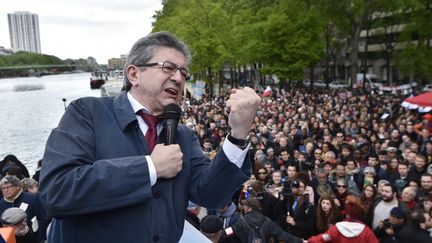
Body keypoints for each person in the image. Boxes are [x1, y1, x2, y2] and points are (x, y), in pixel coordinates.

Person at [38, 32, 261, 243]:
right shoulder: (87, 113)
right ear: (134, 74)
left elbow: (212, 195)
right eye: (168, 68)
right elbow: (58, 190)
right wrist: (150, 168)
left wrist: (239, 134)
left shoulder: (183, 135)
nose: (178, 78)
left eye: (184, 73)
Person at [223, 197, 302, 243]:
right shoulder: (268, 222)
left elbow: (227, 233)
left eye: (246, 206)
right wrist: (300, 241)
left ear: (250, 209)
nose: (244, 207)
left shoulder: (240, 223)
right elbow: (283, 235)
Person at [306, 202, 378, 243]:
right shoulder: (366, 231)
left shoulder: (337, 228)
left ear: (346, 214)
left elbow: (323, 238)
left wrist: (309, 240)